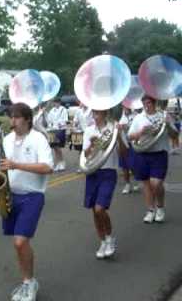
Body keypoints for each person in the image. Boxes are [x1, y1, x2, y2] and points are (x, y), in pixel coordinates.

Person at [0, 103, 53, 301]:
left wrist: (17, 165)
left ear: (27, 119)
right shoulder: (7, 140)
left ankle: (30, 283)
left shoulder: (38, 139)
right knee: (18, 245)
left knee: (20, 241)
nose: (12, 121)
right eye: (11, 117)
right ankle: (26, 281)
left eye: (16, 117)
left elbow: (47, 167)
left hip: (33, 195)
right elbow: (1, 168)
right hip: (11, 195)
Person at [128, 95, 178, 223]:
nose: (146, 105)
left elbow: (175, 135)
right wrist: (141, 132)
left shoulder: (163, 116)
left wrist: (168, 124)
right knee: (146, 184)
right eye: (144, 103)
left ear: (154, 103)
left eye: (149, 102)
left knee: (156, 183)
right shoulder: (138, 118)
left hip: (159, 154)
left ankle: (160, 207)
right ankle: (150, 210)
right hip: (143, 153)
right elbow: (130, 136)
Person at [82, 110, 118, 259]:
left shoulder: (113, 128)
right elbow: (85, 154)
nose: (95, 117)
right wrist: (91, 145)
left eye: (98, 114)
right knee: (94, 211)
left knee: (99, 209)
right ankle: (102, 241)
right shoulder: (89, 130)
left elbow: (123, 151)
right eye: (94, 114)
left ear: (104, 114)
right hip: (93, 171)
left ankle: (110, 238)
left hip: (108, 170)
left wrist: (119, 136)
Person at [118, 107, 139, 194]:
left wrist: (128, 126)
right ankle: (127, 184)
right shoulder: (119, 116)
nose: (126, 107)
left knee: (133, 164)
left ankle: (136, 180)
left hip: (133, 144)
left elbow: (138, 129)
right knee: (124, 166)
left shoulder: (136, 116)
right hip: (122, 143)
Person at [46, 99, 69, 171]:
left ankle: (62, 162)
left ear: (59, 103)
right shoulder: (52, 110)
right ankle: (58, 163)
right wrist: (50, 125)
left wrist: (59, 124)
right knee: (54, 148)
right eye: (54, 103)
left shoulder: (63, 109)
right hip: (53, 130)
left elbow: (65, 120)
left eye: (56, 103)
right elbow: (49, 120)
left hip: (60, 130)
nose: (55, 104)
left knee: (58, 147)